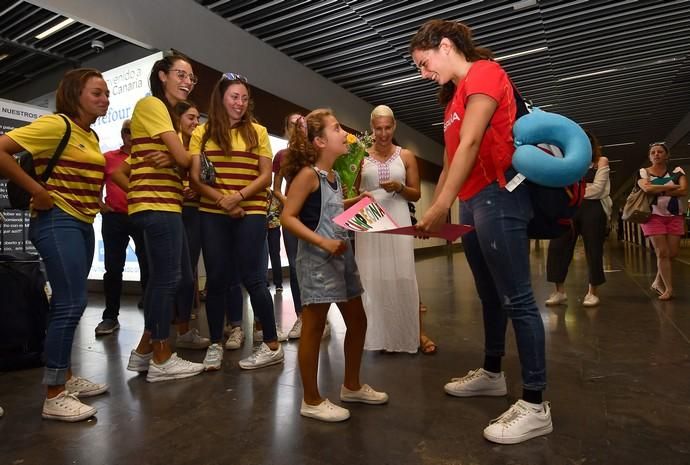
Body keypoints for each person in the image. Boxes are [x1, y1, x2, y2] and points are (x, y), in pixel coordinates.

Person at [410, 19, 553, 444]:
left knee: (519, 299)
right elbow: (456, 157)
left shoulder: (486, 73)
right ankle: (493, 373)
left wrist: (437, 208)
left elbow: (471, 145)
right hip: (474, 202)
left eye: (423, 62)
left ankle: (535, 403)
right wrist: (453, 207)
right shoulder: (452, 96)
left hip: (500, 196)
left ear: (447, 45)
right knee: (490, 296)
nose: (422, 73)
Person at [0, 68, 111, 421]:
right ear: (75, 94)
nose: (105, 99)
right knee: (70, 302)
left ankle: (65, 377)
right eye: (97, 93)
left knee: (72, 304)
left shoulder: (89, 135)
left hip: (82, 222)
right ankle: (54, 393)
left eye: (107, 93)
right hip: (55, 221)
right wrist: (37, 191)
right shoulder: (57, 125)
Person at [281, 108, 388, 423]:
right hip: (318, 260)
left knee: (358, 321)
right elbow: (288, 216)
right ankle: (311, 400)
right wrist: (322, 242)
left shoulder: (335, 176)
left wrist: (355, 202)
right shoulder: (306, 175)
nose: (345, 134)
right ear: (319, 141)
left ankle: (352, 385)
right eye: (337, 128)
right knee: (313, 328)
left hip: (343, 258)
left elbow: (329, 208)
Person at [189, 72, 284, 370]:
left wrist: (237, 197)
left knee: (254, 278)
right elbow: (195, 177)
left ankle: (271, 343)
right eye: (234, 96)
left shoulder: (258, 131)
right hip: (213, 212)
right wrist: (222, 201)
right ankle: (215, 343)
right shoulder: (201, 134)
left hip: (251, 211)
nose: (240, 103)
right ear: (221, 98)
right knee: (216, 279)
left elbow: (265, 175)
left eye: (244, 98)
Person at [122, 53, 205, 382]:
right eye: (180, 74)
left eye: (191, 77)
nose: (187, 82)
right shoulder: (153, 106)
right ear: (162, 76)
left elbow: (179, 161)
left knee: (170, 278)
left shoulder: (168, 116)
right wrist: (177, 158)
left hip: (164, 204)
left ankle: (144, 351)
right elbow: (186, 160)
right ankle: (160, 356)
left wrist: (173, 158)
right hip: (156, 204)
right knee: (167, 280)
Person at [354, 104, 435, 354]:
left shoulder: (406, 155)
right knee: (371, 277)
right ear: (371, 128)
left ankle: (412, 332)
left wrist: (399, 188)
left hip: (398, 217)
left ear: (394, 126)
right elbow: (352, 191)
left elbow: (417, 194)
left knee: (403, 273)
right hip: (368, 219)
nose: (383, 133)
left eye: (388, 127)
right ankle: (377, 335)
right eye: (378, 128)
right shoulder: (360, 156)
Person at [95, 119, 149, 336]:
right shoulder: (108, 158)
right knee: (113, 268)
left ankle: (150, 309)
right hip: (114, 217)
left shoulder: (145, 157)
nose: (130, 134)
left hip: (141, 214)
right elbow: (95, 185)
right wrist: (100, 205)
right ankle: (110, 316)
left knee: (148, 263)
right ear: (122, 134)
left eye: (134, 131)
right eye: (127, 131)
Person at [545, 131, 612, 307]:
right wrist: (576, 191)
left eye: (588, 142)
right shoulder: (567, 162)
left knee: (594, 248)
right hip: (568, 209)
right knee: (557, 247)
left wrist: (573, 192)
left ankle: (592, 292)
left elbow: (598, 189)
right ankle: (559, 291)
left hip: (593, 208)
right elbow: (557, 185)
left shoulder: (600, 162)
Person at [637, 142, 687, 300]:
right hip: (652, 216)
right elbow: (647, 189)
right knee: (663, 253)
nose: (656, 154)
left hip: (674, 215)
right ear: (649, 156)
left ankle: (657, 281)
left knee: (672, 253)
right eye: (653, 152)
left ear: (667, 155)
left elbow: (684, 190)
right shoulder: (644, 172)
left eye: (660, 152)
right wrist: (673, 188)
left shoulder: (677, 171)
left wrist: (658, 189)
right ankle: (668, 289)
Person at [174, 100, 203, 317]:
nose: (195, 122)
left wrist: (198, 190)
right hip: (171, 210)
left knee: (189, 265)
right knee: (172, 264)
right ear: (178, 119)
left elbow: (210, 178)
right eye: (190, 117)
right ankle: (171, 312)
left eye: (197, 118)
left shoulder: (201, 145)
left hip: (194, 210)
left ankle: (185, 311)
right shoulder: (169, 143)